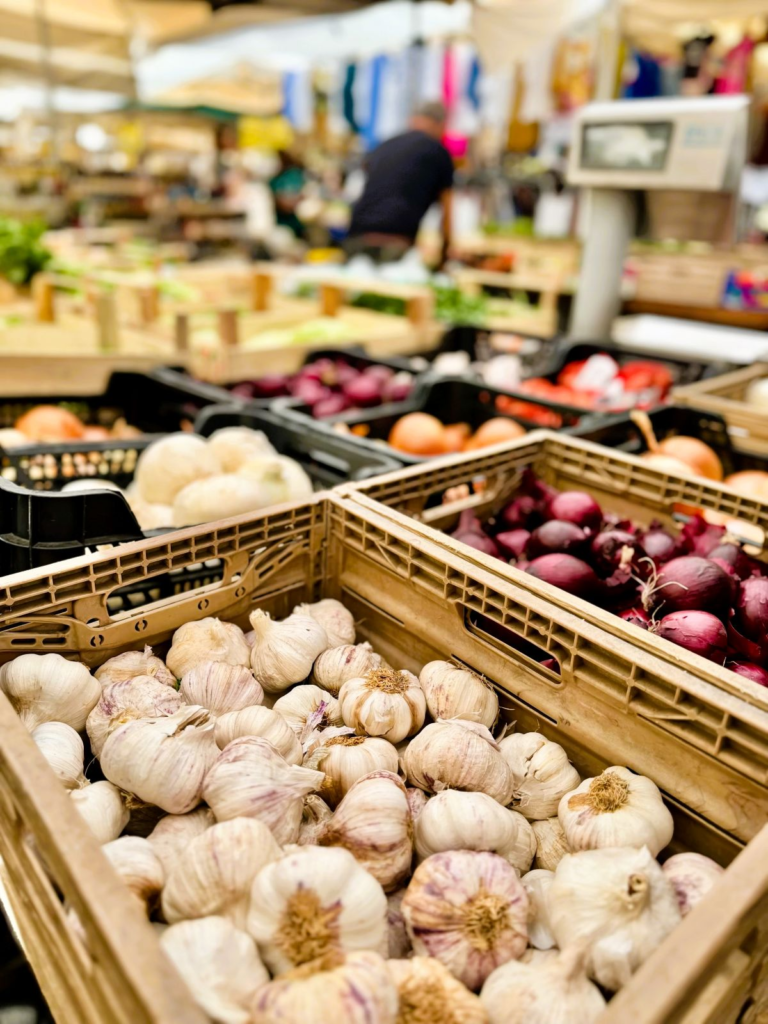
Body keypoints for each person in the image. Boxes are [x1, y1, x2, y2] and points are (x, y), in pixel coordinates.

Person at [347, 101, 454, 265]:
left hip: (356, 236)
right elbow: (446, 213)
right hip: (396, 241)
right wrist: (444, 258)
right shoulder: (439, 152)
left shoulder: (384, 145)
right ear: (440, 124)